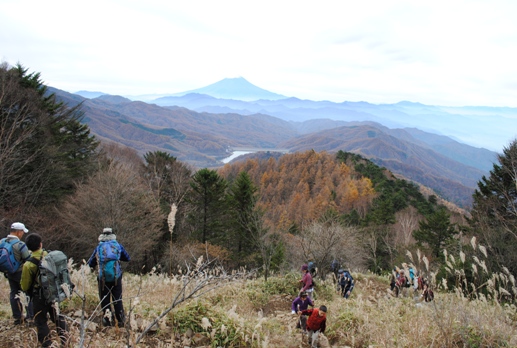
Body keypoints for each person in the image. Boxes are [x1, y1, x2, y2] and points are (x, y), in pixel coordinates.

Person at [21, 233, 68, 347]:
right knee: (57, 317)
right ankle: (66, 340)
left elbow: (25, 286)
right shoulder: (51, 256)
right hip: (54, 293)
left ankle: (47, 344)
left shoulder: (28, 264)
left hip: (39, 296)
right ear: (41, 244)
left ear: (28, 248)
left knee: (41, 321)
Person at [87, 227, 130, 327]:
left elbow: (90, 263)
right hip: (116, 277)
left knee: (105, 299)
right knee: (117, 299)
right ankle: (121, 320)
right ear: (112, 234)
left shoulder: (99, 247)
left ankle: (108, 321)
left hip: (103, 278)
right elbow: (127, 258)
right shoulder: (117, 246)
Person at [2, 222, 32, 325]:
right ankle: (30, 317)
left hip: (9, 272)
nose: (23, 234)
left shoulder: (2, 242)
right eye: (22, 232)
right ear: (18, 232)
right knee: (27, 293)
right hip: (20, 272)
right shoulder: (20, 244)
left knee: (14, 293)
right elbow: (27, 259)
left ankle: (17, 317)